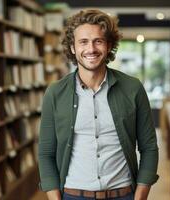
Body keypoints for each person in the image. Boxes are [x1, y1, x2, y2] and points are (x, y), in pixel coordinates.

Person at [38, 9, 159, 200]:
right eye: (83, 42)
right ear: (72, 47)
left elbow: (149, 147)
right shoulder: (55, 93)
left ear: (109, 45)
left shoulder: (133, 88)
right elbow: (46, 153)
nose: (91, 49)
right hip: (73, 195)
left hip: (123, 194)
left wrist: (140, 196)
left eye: (98, 41)